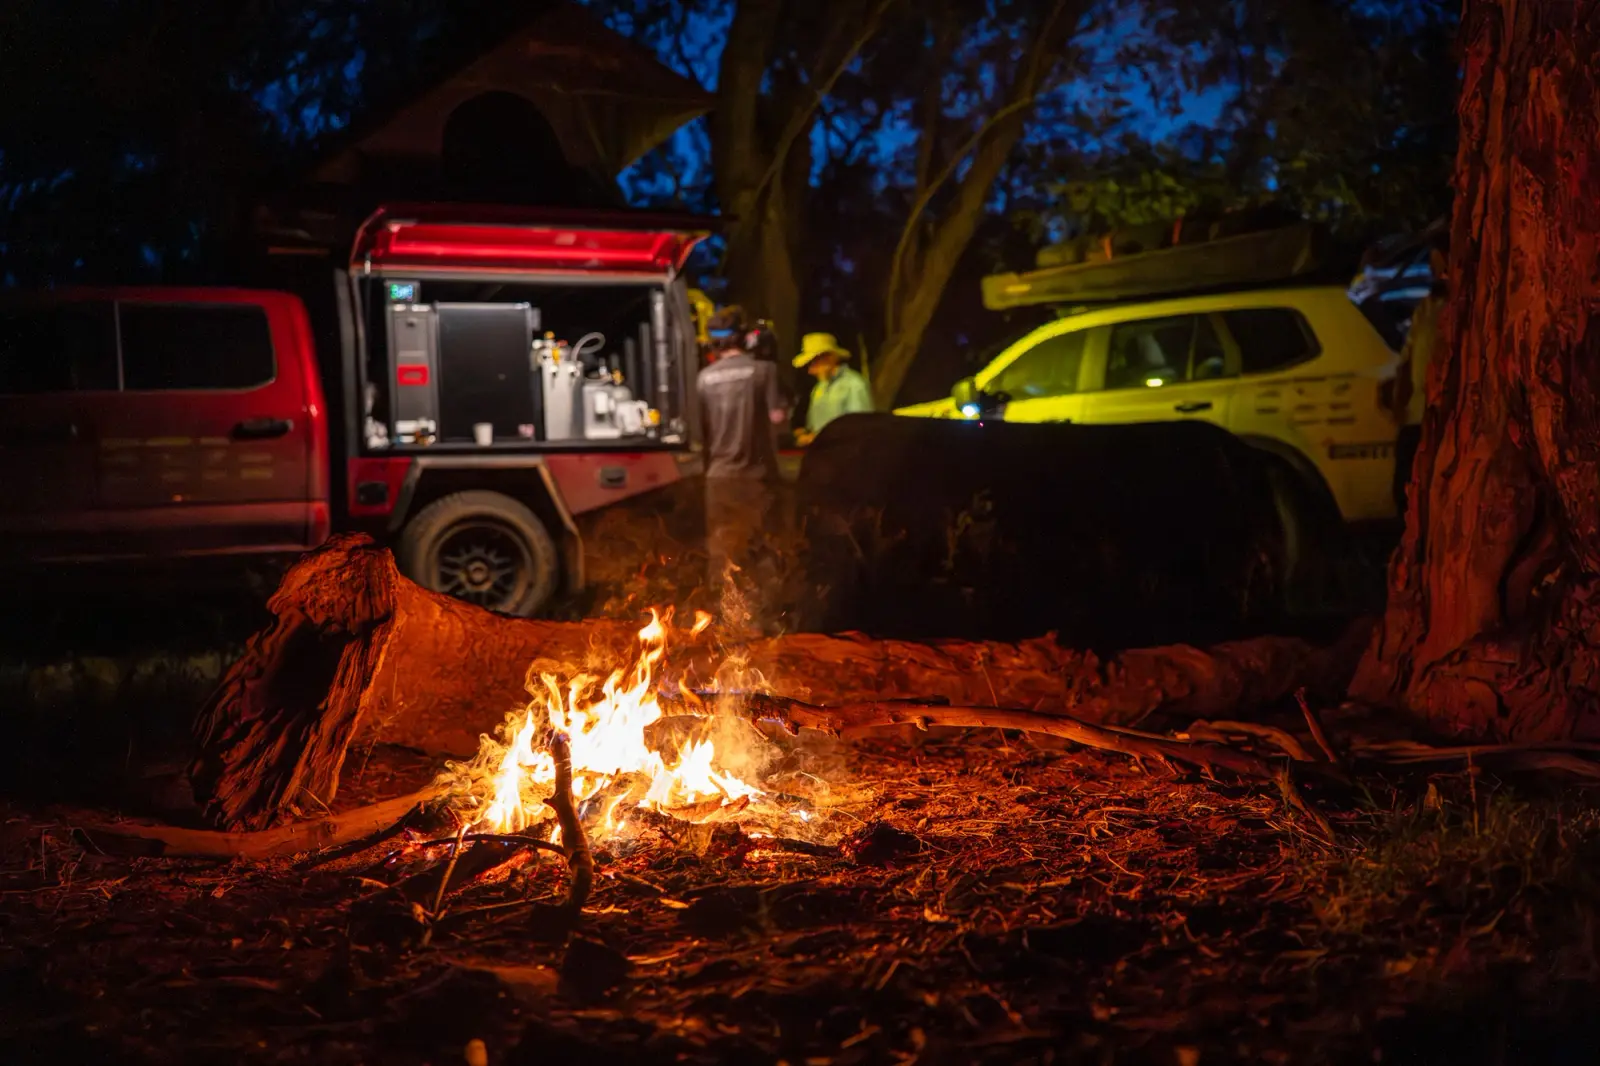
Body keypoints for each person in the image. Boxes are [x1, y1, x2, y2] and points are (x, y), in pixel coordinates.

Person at [696, 305, 787, 628]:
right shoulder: (763, 371)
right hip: (756, 478)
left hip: (718, 479)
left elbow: (701, 432)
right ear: (744, 336)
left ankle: (723, 624)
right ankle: (764, 623)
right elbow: (778, 418)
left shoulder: (703, 380)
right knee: (761, 549)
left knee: (723, 552)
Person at [1389, 244, 1447, 513]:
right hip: (1416, 417)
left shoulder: (1466, 307)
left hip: (1445, 418)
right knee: (1405, 492)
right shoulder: (1425, 308)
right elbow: (1407, 359)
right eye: (1434, 267)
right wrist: (1398, 403)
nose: (1437, 273)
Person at [791, 332, 873, 446]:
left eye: (813, 363)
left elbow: (860, 426)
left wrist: (817, 437)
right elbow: (815, 425)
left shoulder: (854, 384)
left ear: (829, 358)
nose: (810, 371)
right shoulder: (820, 387)